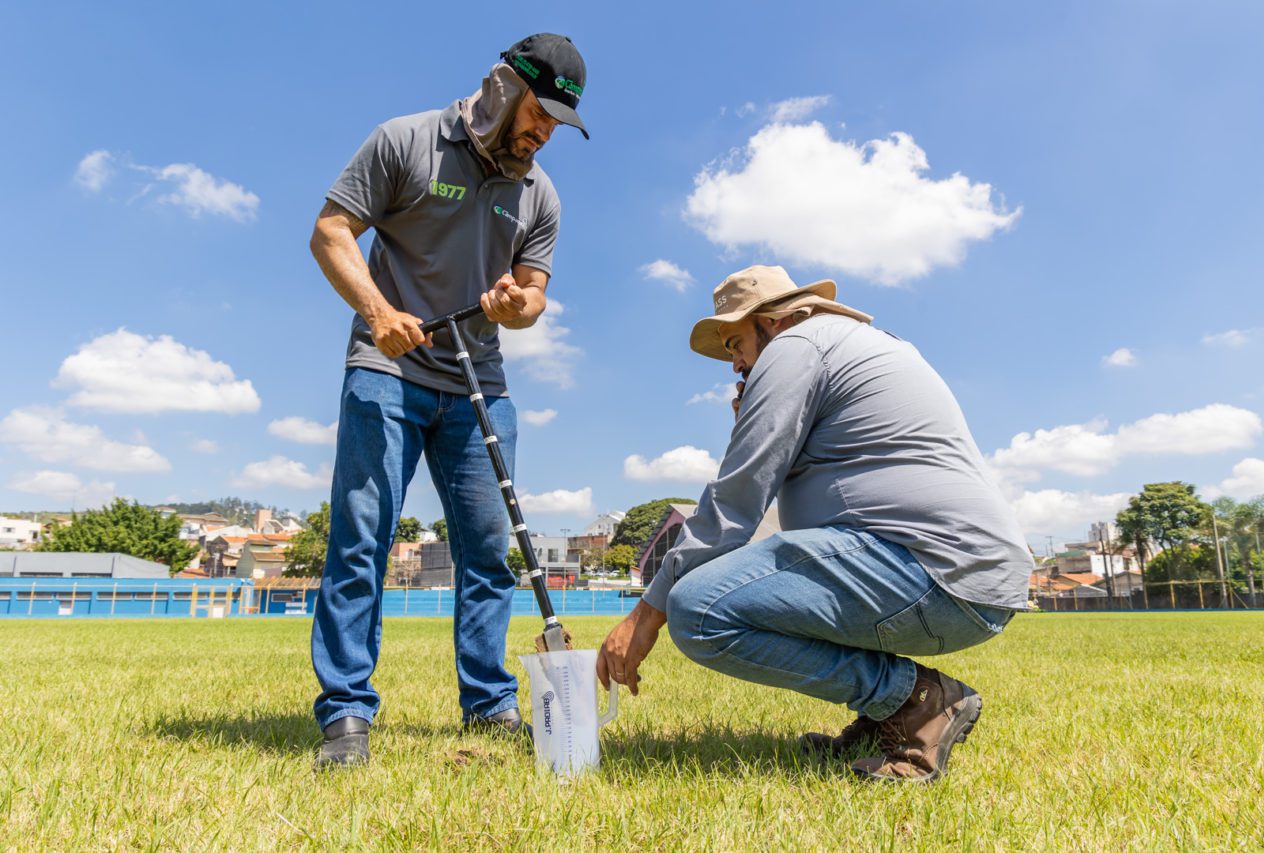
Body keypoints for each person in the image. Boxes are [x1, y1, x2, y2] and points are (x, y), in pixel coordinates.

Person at [598, 265, 1034, 783]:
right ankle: (884, 719)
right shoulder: (847, 346)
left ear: (780, 319)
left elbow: (738, 498)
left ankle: (916, 702)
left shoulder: (796, 346)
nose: (735, 364)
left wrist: (647, 613)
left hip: (930, 570)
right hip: (958, 575)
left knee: (696, 608)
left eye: (736, 342)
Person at [308, 33, 589, 770]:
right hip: (387, 369)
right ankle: (345, 715)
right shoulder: (405, 142)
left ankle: (490, 704)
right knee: (361, 542)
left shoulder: (539, 195)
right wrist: (378, 313)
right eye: (539, 112)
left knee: (488, 555)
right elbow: (330, 231)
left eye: (558, 124)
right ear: (503, 88)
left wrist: (513, 305)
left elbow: (535, 297)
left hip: (478, 384)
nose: (544, 132)